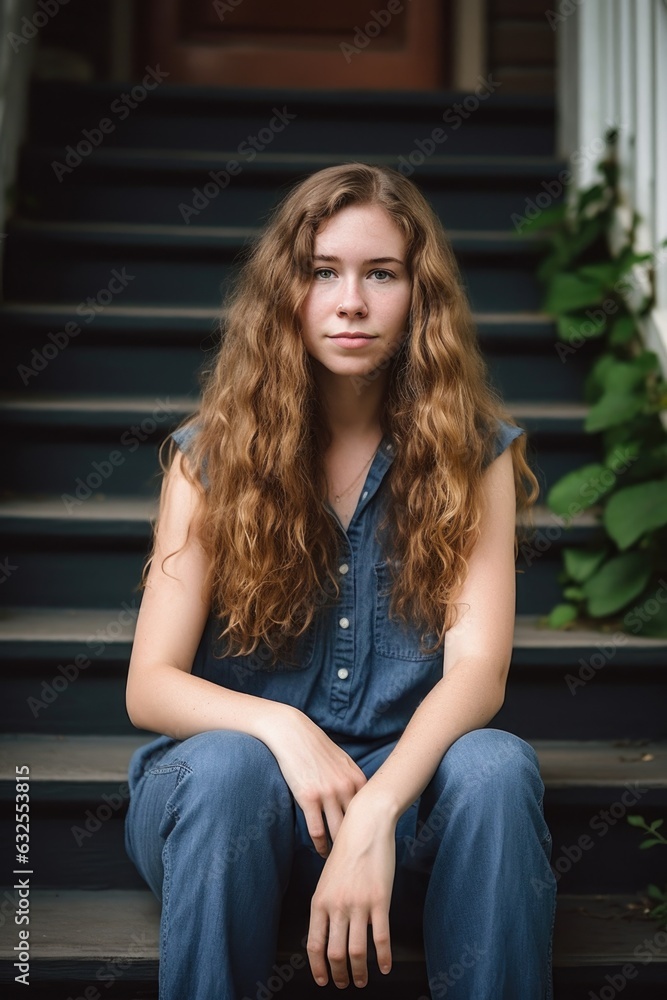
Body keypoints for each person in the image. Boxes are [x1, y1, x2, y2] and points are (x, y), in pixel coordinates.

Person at [124, 162, 556, 999]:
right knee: (226, 768)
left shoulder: (472, 454)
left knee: (496, 767)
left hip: (404, 812)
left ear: (419, 296)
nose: (350, 302)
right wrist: (284, 728)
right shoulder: (211, 457)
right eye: (323, 272)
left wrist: (377, 810)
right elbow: (150, 686)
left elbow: (478, 671)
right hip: (234, 812)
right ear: (284, 292)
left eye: (381, 274)